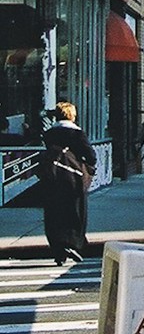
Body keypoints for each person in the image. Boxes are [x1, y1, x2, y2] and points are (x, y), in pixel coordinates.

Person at [36, 101, 96, 265]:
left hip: (53, 177)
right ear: (72, 115)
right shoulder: (77, 134)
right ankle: (72, 242)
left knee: (54, 212)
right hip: (73, 178)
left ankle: (58, 249)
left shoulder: (49, 134)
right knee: (75, 211)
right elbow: (91, 156)